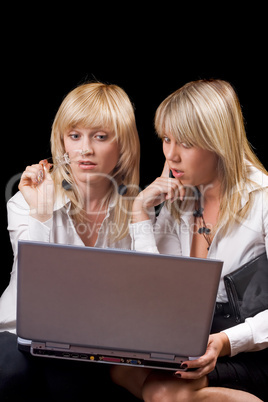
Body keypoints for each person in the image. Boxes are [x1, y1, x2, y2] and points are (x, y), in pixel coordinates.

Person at [110, 79, 268, 401]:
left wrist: (225, 342)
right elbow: (155, 293)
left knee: (162, 390)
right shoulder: (180, 199)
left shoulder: (263, 198)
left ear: (217, 141)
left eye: (185, 143)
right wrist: (141, 213)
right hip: (197, 341)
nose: (171, 155)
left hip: (251, 345)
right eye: (166, 139)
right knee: (116, 367)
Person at [0, 82, 140, 401]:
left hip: (90, 344)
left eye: (100, 136)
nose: (84, 149)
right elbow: (36, 287)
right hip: (18, 334)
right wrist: (41, 213)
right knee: (12, 371)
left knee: (74, 383)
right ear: (62, 142)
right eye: (74, 136)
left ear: (123, 145)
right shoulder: (26, 202)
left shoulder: (138, 213)